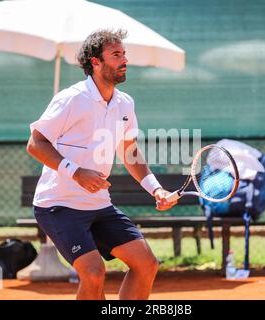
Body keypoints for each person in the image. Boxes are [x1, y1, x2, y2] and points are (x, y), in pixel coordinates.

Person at [26, 29, 177, 300]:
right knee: (93, 272)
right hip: (57, 205)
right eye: (116, 54)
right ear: (95, 62)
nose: (124, 60)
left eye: (124, 54)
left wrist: (156, 189)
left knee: (147, 264)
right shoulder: (71, 99)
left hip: (98, 204)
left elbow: (130, 151)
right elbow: (35, 144)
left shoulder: (125, 104)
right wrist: (76, 173)